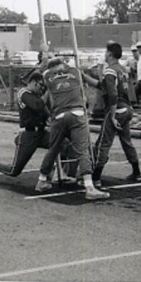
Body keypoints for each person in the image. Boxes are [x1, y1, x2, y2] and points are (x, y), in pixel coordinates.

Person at [35, 57, 109, 200]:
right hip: (76, 113)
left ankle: (42, 180)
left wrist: (46, 55)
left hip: (59, 115)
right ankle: (89, 187)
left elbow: (41, 71)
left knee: (53, 149)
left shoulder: (48, 76)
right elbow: (88, 82)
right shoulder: (75, 72)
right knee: (82, 149)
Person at [83, 42, 141, 188]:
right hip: (126, 108)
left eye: (105, 52)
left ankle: (96, 176)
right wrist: (84, 77)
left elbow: (112, 93)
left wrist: (113, 114)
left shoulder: (110, 71)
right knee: (126, 141)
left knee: (103, 142)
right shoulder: (122, 70)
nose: (104, 54)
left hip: (116, 109)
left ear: (109, 54)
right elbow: (102, 85)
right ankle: (137, 172)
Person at [0, 72, 50, 180]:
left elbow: (47, 113)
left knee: (64, 144)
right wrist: (48, 92)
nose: (42, 89)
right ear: (33, 82)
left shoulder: (38, 95)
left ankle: (59, 173)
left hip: (42, 132)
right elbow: (37, 106)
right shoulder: (24, 93)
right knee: (14, 170)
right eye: (41, 85)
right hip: (28, 133)